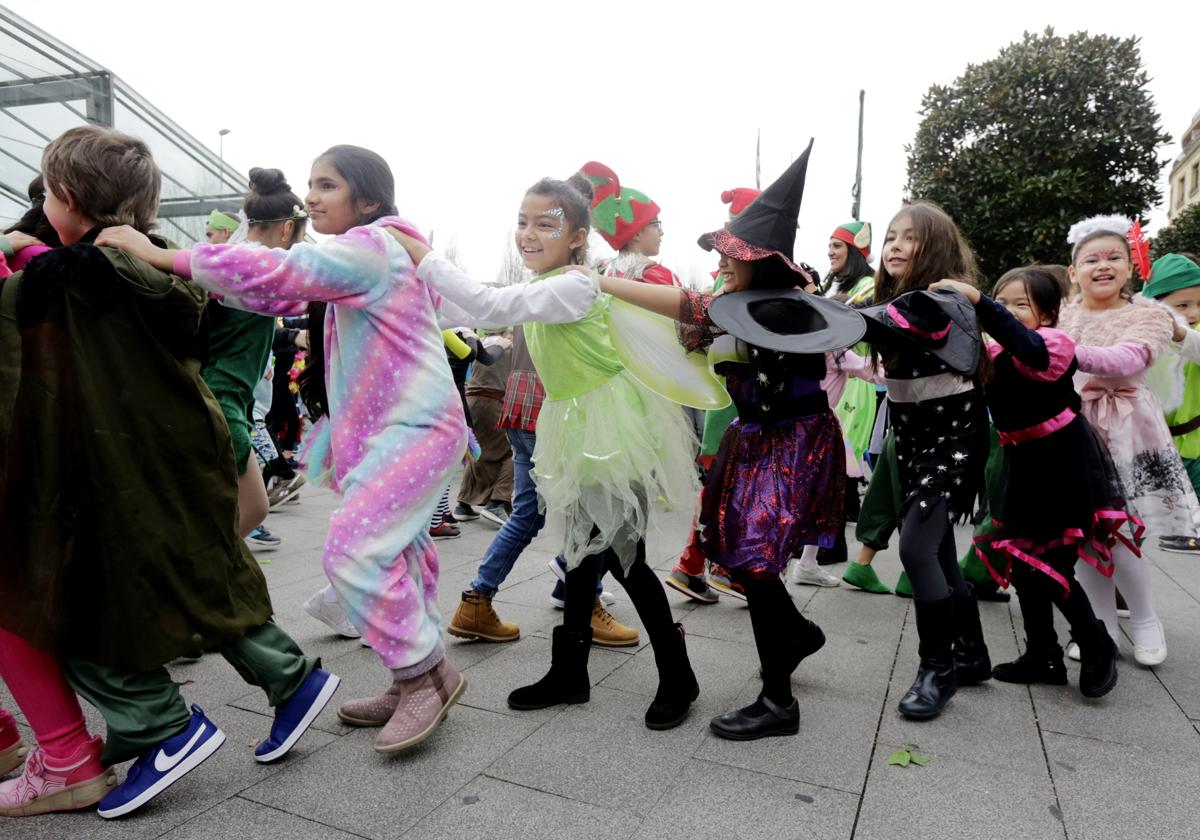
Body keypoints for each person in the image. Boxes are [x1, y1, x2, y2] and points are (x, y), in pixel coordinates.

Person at [101, 144, 602, 751]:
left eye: (328, 185)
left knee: (354, 552)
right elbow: (281, 292)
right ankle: (409, 676)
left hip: (413, 431)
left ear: (367, 199)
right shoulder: (362, 256)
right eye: (312, 184)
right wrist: (182, 268)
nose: (311, 196)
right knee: (402, 553)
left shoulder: (373, 246)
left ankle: (426, 676)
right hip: (401, 432)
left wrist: (160, 253)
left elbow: (283, 275)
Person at [3, 126, 336, 820]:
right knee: (200, 580)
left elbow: (31, 328)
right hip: (184, 448)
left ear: (62, 196)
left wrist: (22, 251)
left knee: (79, 609)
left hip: (115, 466)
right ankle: (291, 680)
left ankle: (163, 726)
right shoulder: (157, 262)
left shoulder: (70, 281)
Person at [388, 172, 701, 730]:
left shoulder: (576, 285)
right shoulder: (553, 282)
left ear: (579, 235)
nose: (528, 234)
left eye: (545, 224)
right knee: (582, 553)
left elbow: (487, 299)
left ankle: (678, 674)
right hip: (574, 422)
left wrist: (420, 252)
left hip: (607, 430)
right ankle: (570, 673)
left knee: (626, 560)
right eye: (522, 222)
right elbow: (473, 312)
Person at [599, 145, 855, 739]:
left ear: (763, 263)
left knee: (757, 563)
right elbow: (689, 315)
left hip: (792, 442)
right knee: (746, 557)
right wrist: (605, 286)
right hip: (755, 441)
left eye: (732, 257)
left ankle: (778, 702)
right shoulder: (734, 305)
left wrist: (602, 282)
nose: (722, 263)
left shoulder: (786, 310)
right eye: (721, 256)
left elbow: (692, 307)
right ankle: (797, 634)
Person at [930, 268, 1130, 696]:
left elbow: (1031, 349)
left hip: (1062, 465)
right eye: (1004, 302)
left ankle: (1098, 643)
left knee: (1052, 565)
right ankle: (1043, 654)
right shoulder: (992, 352)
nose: (1008, 312)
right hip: (1020, 464)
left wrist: (983, 302)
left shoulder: (1053, 345)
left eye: (1020, 304)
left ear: (1049, 313)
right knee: (1022, 565)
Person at [857, 202, 992, 721]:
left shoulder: (940, 300)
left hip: (953, 437)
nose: (893, 245)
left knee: (915, 551)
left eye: (908, 238)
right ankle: (972, 653)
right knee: (936, 552)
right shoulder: (888, 301)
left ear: (934, 247)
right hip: (913, 438)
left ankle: (937, 669)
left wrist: (820, 311)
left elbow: (879, 323)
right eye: (890, 237)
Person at [1058, 215, 1200, 667]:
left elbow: (1128, 357)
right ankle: (1099, 628)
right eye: (1091, 259)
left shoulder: (1149, 314)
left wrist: (1053, 349)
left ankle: (1144, 619)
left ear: (1131, 266)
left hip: (1129, 432)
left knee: (1121, 534)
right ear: (1074, 270)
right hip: (1073, 430)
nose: (1103, 265)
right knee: (1081, 533)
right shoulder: (1063, 312)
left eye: (1113, 257)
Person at [201, 167, 309, 548]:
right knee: (249, 507)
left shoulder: (238, 262)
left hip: (226, 399)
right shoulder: (258, 264)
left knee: (249, 507)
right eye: (299, 235)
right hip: (223, 399)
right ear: (285, 229)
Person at [1141, 253, 1200, 547]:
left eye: (1199, 303)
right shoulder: (1143, 334)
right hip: (1161, 440)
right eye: (1182, 305)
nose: (1193, 312)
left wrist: (1180, 333)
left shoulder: (1193, 334)